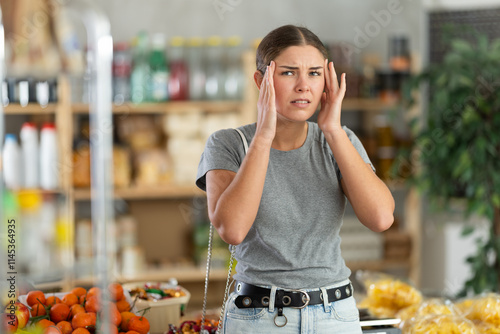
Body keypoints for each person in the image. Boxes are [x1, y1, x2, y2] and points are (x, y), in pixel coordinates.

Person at [196, 24, 395, 333]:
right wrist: (263, 136)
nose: (304, 86)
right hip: (258, 318)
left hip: (335, 315)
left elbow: (381, 218)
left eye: (315, 73)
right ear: (261, 81)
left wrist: (332, 130)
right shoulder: (227, 144)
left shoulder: (341, 141)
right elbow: (232, 229)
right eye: (289, 73)